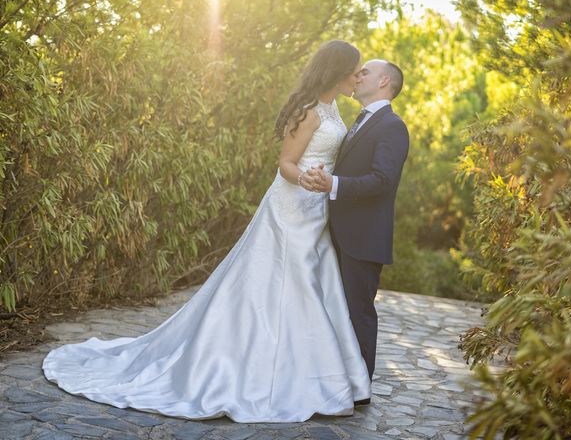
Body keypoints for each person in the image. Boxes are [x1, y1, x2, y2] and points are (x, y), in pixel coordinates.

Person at [41, 40, 371, 423]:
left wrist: (325, 185)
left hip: (317, 212)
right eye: (355, 70)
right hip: (292, 206)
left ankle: (307, 369)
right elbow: (285, 165)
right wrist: (310, 180)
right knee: (293, 283)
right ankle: (288, 377)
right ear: (337, 70)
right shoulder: (309, 110)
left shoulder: (333, 108)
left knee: (313, 282)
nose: (357, 77)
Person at [300, 59, 409, 389]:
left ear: (383, 82)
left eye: (365, 72)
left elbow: (381, 180)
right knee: (336, 310)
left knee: (358, 312)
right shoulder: (359, 122)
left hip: (363, 238)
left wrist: (332, 184)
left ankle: (360, 389)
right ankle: (335, 381)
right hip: (336, 231)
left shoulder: (392, 126)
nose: (357, 76)